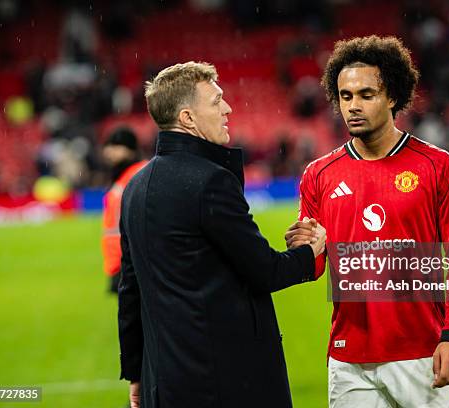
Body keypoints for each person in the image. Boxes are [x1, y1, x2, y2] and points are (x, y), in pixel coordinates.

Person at [118, 62, 326, 408]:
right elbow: (264, 271)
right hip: (225, 380)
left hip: (164, 381)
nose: (227, 108)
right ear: (188, 118)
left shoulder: (134, 188)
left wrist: (135, 372)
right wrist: (309, 252)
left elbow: (130, 290)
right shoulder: (210, 182)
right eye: (216, 101)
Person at [285, 35, 449, 407]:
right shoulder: (318, 175)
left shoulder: (436, 165)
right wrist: (303, 249)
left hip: (423, 354)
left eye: (366, 94)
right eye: (345, 96)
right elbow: (315, 266)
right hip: (349, 360)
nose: (353, 106)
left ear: (392, 97)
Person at [101, 127, 147, 293]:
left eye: (116, 146)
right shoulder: (122, 175)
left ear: (130, 150)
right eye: (108, 146)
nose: (109, 151)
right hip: (120, 259)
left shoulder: (139, 173)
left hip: (132, 259)